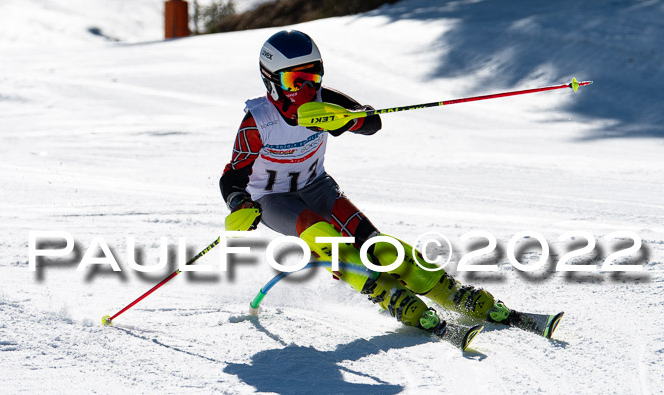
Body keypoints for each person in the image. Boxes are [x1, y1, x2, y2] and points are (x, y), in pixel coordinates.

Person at [220, 29, 518, 339]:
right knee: (321, 233)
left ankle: (450, 291)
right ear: (272, 81)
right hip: (271, 199)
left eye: (313, 76)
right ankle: (388, 295)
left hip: (316, 185)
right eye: (294, 81)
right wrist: (239, 204)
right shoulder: (259, 122)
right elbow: (232, 178)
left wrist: (348, 120)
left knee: (373, 243)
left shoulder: (325, 101)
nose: (307, 89)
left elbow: (373, 121)